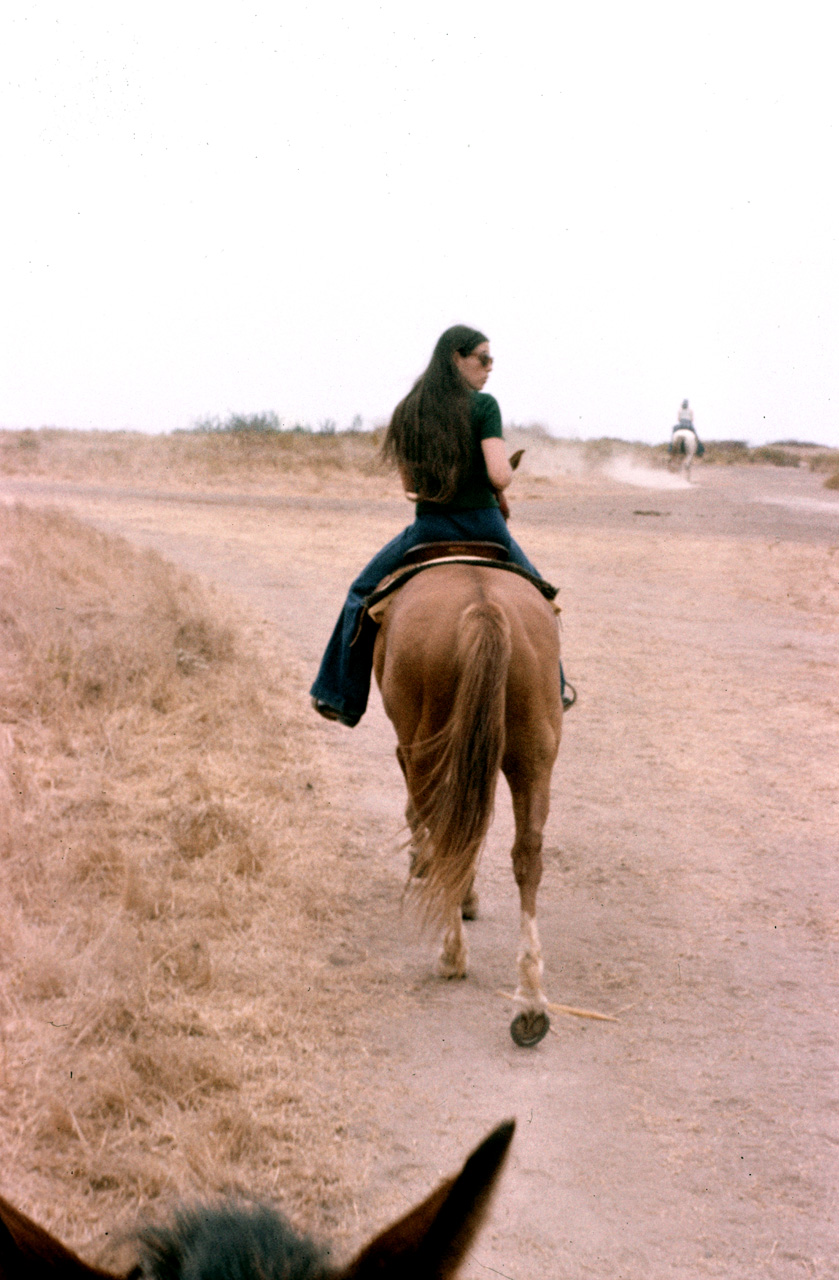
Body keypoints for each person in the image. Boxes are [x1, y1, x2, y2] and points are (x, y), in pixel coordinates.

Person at [310, 325, 575, 727]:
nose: (490, 368)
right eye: (483, 358)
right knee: (541, 595)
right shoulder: (484, 406)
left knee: (361, 594)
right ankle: (554, 690)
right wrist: (497, 477)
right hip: (488, 528)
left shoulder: (409, 411)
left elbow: (409, 488)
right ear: (457, 357)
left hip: (430, 529)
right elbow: (500, 477)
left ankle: (339, 697)